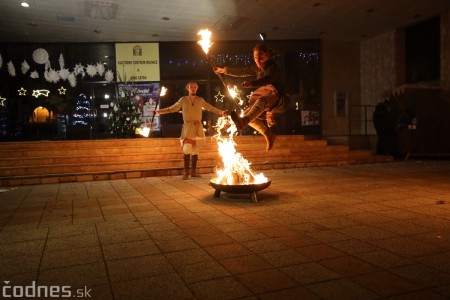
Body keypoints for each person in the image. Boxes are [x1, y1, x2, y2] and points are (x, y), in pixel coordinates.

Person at [214, 43, 289, 151]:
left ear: (267, 56)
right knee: (246, 114)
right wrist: (224, 71)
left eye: (260, 58)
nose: (257, 60)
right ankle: (268, 134)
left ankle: (244, 122)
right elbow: (242, 71)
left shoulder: (273, 67)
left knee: (260, 100)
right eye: (255, 58)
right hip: (268, 101)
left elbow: (267, 79)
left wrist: (252, 84)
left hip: (280, 99)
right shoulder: (257, 68)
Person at [154, 81, 227, 180]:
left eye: (195, 87)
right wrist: (159, 112)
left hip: (198, 129)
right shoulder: (183, 100)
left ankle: (193, 172)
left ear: (196, 89)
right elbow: (172, 109)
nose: (193, 88)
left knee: (196, 151)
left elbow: (210, 108)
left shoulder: (200, 100)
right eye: (191, 87)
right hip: (188, 129)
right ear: (188, 88)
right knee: (187, 150)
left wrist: (221, 112)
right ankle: (186, 173)